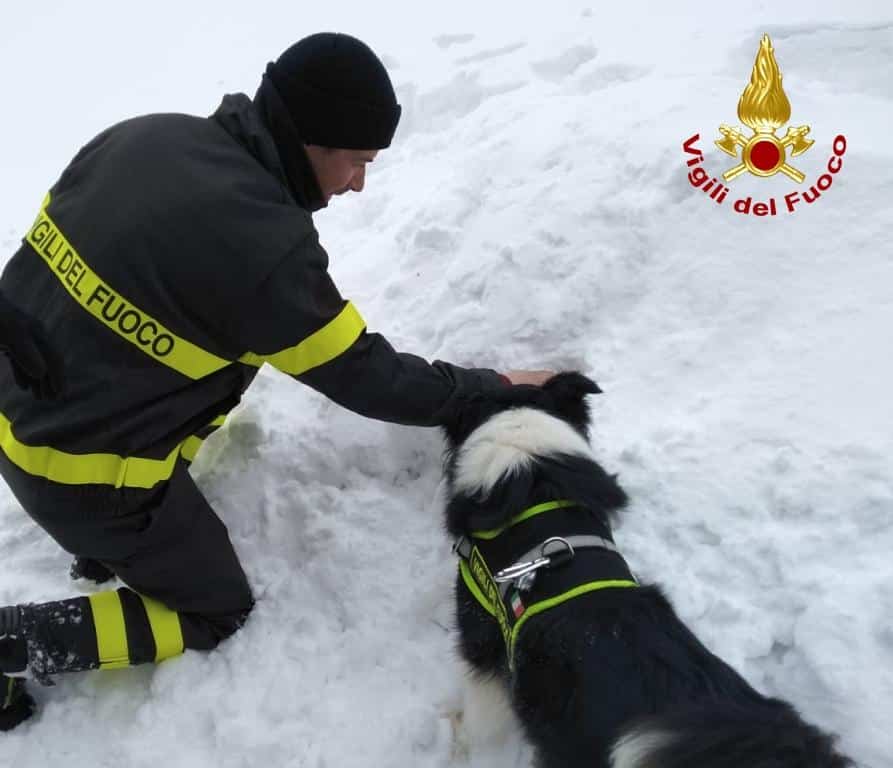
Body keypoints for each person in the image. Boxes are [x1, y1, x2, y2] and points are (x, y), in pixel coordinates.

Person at [0, 32, 554, 729]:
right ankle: (10, 639)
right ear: (311, 140)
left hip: (15, 407)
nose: (358, 183)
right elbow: (369, 377)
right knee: (214, 609)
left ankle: (96, 546)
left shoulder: (145, 137)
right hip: (80, 475)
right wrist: (493, 386)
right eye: (357, 160)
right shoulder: (263, 248)